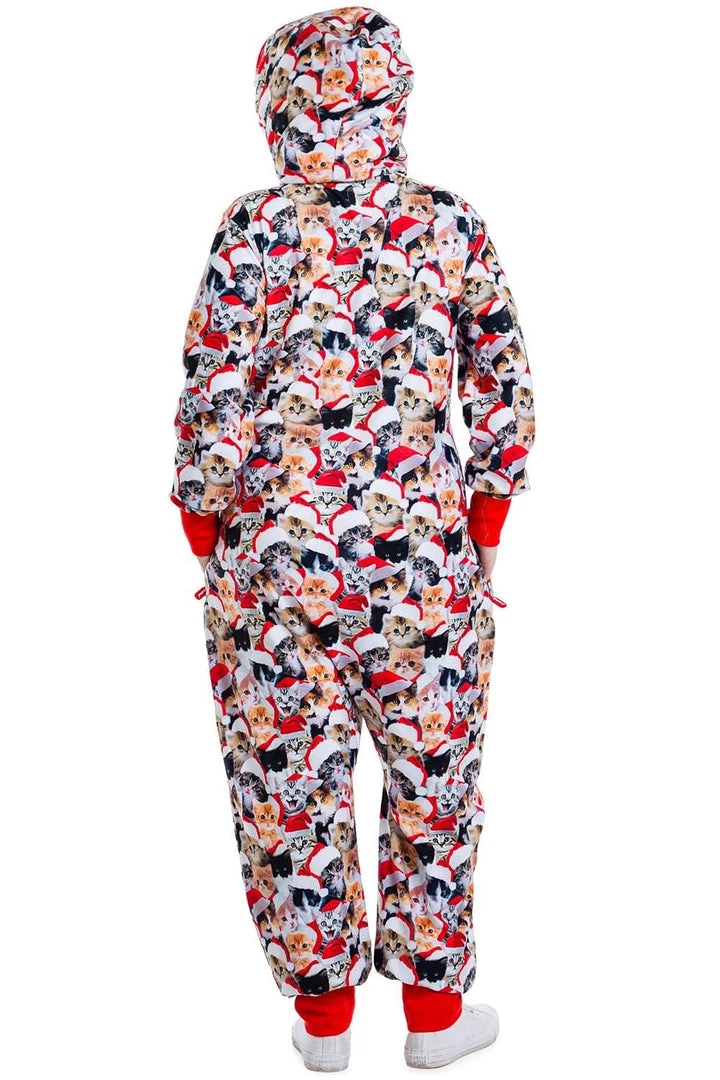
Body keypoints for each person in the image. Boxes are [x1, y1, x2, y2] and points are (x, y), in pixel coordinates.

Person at [168, 5, 535, 1071]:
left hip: (272, 565)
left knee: (288, 786)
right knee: (435, 777)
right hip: (423, 563)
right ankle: (433, 1019)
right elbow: (502, 378)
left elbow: (212, 390)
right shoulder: (450, 224)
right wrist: (486, 521)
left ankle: (324, 1025)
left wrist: (205, 530)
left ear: (277, 115)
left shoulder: (250, 230)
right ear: (396, 102)